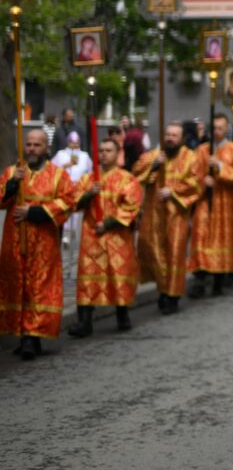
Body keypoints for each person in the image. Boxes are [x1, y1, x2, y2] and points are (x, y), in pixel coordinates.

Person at [1, 128, 80, 359]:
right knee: (18, 287)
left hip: (43, 244)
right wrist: (12, 185)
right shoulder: (12, 172)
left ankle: (32, 337)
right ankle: (22, 333)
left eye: (37, 145)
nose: (32, 149)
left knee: (38, 288)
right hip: (15, 242)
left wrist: (34, 211)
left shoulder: (58, 175)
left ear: (46, 148)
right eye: (29, 144)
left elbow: (68, 201)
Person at [68, 137, 144, 337]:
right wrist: (88, 194)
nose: (103, 154)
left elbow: (132, 206)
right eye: (101, 150)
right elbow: (73, 202)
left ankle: (122, 314)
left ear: (118, 154)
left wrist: (109, 223)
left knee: (118, 274)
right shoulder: (88, 179)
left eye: (108, 150)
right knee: (88, 277)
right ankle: (84, 321)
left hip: (116, 236)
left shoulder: (127, 179)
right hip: (92, 236)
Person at [133, 123, 203, 314]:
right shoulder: (155, 155)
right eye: (168, 134)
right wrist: (154, 165)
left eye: (174, 135)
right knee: (155, 251)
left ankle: (172, 296)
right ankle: (162, 289)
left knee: (174, 254)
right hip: (154, 214)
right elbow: (136, 173)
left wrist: (173, 191)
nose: (170, 138)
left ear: (182, 138)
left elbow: (196, 184)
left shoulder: (191, 158)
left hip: (176, 215)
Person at [189, 113, 233, 299]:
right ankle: (199, 279)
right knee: (201, 236)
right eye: (214, 128)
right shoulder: (202, 150)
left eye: (221, 128)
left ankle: (218, 281)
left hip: (225, 201)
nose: (217, 131)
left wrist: (220, 166)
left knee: (222, 239)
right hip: (205, 200)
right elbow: (193, 174)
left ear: (227, 128)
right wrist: (202, 181)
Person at [52, 132, 93, 280]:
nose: (74, 145)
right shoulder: (60, 155)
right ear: (67, 142)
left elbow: (90, 174)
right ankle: (64, 269)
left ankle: (75, 269)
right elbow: (51, 172)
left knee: (77, 235)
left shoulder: (85, 156)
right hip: (64, 197)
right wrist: (66, 165)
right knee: (65, 236)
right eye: (72, 142)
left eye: (77, 142)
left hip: (79, 198)